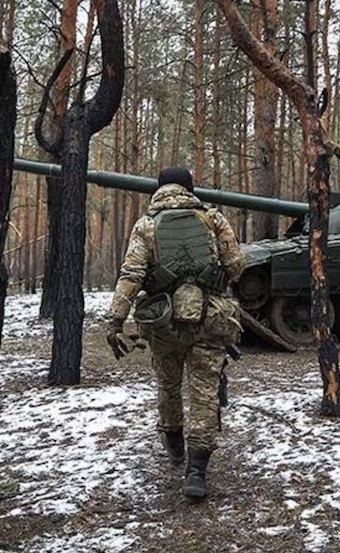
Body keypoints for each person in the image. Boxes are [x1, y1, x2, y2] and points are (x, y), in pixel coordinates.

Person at [106, 166, 245, 501]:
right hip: (209, 319)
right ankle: (196, 471)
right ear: (190, 188)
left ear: (158, 190)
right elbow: (237, 266)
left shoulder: (146, 226)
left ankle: (174, 448)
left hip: (163, 321)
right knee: (204, 393)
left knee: (168, 385)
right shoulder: (213, 219)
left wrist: (115, 320)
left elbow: (131, 275)